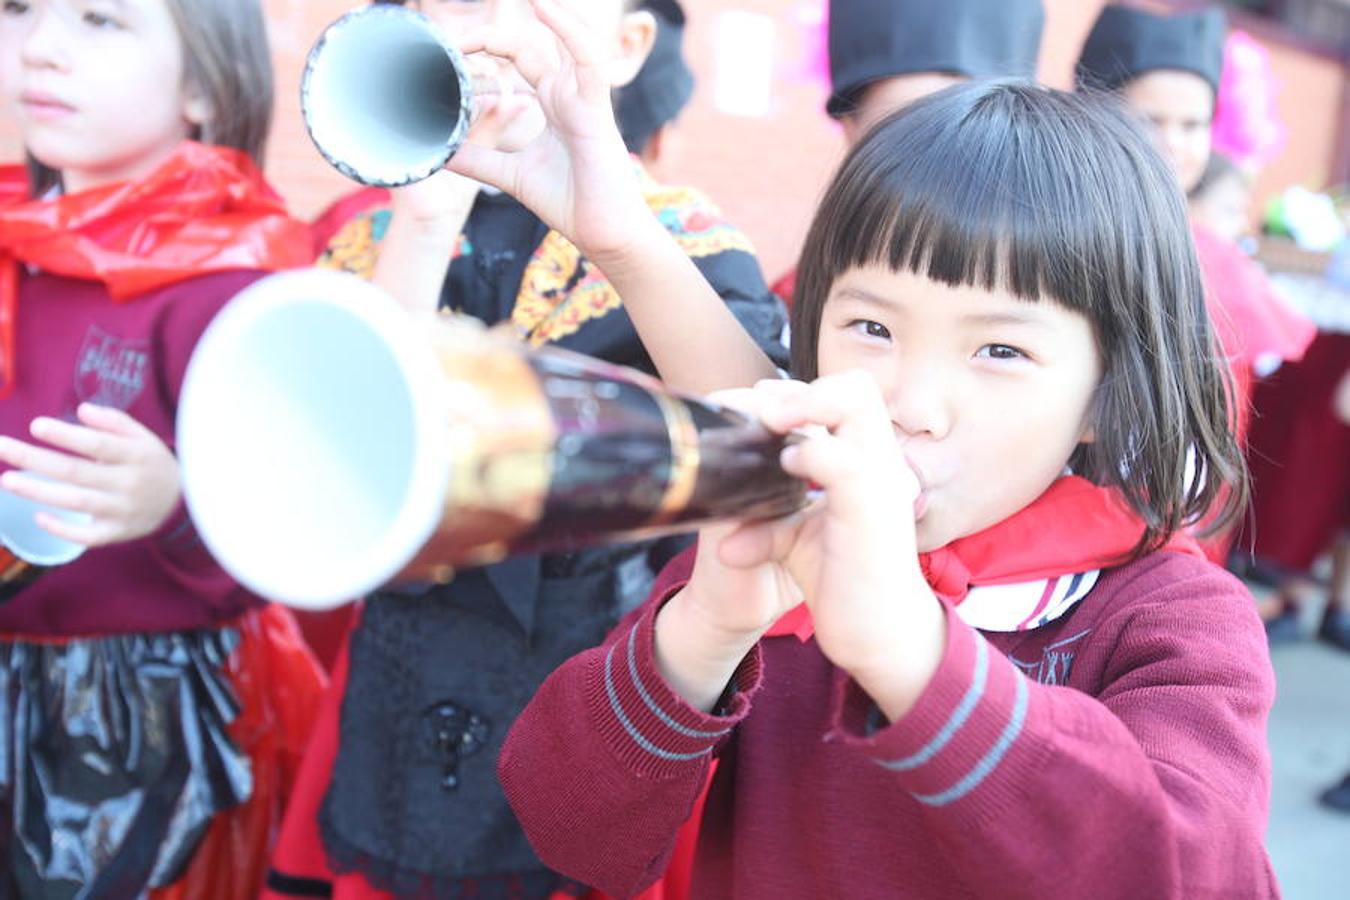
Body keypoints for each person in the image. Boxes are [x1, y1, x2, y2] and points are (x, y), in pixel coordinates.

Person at [436, 6, 1279, 896]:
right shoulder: (771, 569)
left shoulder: (1174, 622)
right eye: (871, 326)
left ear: (1106, 395)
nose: (909, 404)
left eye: (1000, 350)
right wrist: (702, 631)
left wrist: (914, 655)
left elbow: (1188, 872)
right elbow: (571, 832)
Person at [263, 1, 787, 897]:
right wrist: (422, 225)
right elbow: (326, 469)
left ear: (625, 47)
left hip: (595, 681)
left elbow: (762, 452)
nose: (493, 25)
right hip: (400, 671)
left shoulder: (683, 245)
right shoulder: (374, 233)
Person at [0, 0, 325, 897]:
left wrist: (176, 504)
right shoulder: (11, 234)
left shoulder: (236, 285)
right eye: (23, 8)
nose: (44, 45)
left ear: (203, 85)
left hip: (134, 713)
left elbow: (299, 539)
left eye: (101, 20)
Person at [1077, 3, 1315, 567]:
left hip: (1184, 528)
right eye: (1149, 120)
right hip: (1080, 512)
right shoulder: (1066, 232)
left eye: (1192, 125)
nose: (1173, 144)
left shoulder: (1219, 258)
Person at [771, 0, 1045, 307]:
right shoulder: (789, 309)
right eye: (907, 127)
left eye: (973, 126)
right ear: (852, 130)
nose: (940, 156)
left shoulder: (1058, 291)